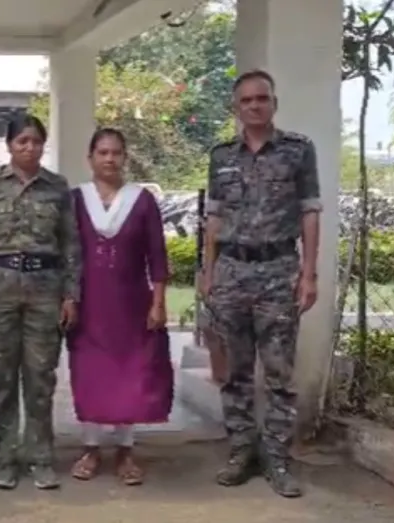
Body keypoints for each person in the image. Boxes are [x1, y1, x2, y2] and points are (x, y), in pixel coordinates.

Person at [200, 69, 321, 499]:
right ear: (235, 108)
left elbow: (310, 211)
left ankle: (278, 457)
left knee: (279, 373)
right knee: (234, 372)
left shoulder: (298, 151)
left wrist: (309, 274)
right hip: (231, 271)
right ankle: (240, 451)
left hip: (278, 272)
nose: (254, 105)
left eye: (262, 98)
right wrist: (208, 272)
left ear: (274, 103)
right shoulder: (221, 156)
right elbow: (213, 218)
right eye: (246, 100)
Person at [0, 114, 82, 490]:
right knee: (1, 376)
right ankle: (3, 458)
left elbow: (71, 244)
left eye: (36, 142)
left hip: (45, 287)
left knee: (40, 377)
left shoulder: (57, 186)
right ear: (10, 145)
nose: (30, 148)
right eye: (22, 142)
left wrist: (71, 294)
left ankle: (40, 458)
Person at [67, 128, 172, 486]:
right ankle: (91, 448)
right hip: (88, 304)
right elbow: (67, 254)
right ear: (91, 158)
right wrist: (67, 298)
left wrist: (158, 301)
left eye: (116, 152)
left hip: (131, 304)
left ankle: (125, 450)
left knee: (131, 373)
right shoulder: (76, 200)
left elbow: (157, 254)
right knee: (90, 374)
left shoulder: (141, 201)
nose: (109, 159)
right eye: (103, 152)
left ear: (125, 157)